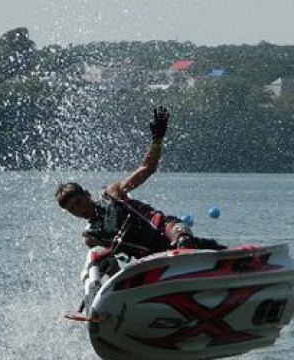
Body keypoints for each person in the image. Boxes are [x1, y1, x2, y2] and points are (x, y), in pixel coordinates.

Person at [55, 106, 224, 259]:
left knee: (184, 242)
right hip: (152, 258)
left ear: (86, 194)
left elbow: (147, 168)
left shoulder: (112, 193)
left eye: (78, 202)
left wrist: (157, 139)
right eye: (72, 209)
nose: (79, 209)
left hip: (167, 228)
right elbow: (110, 263)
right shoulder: (92, 237)